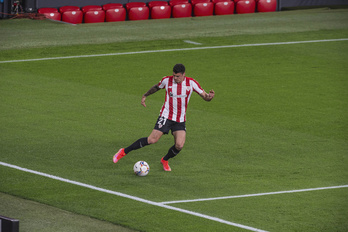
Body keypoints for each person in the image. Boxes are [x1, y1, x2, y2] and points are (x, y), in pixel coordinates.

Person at [113, 64, 215, 171]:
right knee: (152, 140)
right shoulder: (167, 80)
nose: (175, 78)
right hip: (166, 116)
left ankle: (165, 160)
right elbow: (157, 87)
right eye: (174, 75)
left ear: (184, 75)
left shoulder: (192, 83)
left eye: (178, 76)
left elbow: (205, 97)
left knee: (179, 145)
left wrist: (210, 97)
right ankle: (123, 151)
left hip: (180, 119)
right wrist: (145, 95)